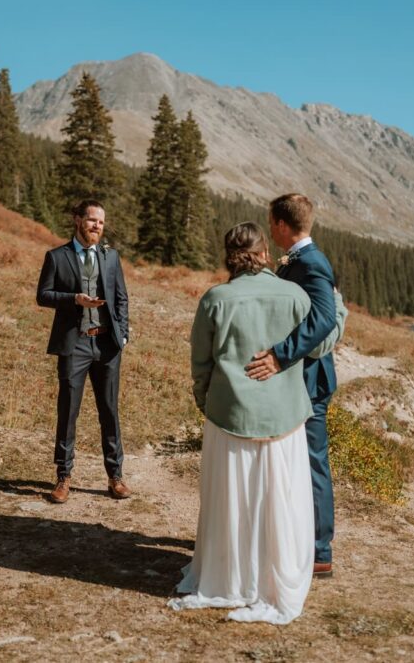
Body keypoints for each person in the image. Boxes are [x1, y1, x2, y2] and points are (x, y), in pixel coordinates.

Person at [169, 222, 314, 625]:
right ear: (265, 252)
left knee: (231, 500)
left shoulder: (216, 299)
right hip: (284, 414)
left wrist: (205, 401)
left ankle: (229, 575)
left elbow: (201, 362)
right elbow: (316, 343)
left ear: (229, 255)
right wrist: (338, 309)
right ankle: (274, 575)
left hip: (229, 412)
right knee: (277, 499)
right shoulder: (295, 295)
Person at [245, 193, 339, 579]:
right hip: (294, 381)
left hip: (311, 381)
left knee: (314, 463)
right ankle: (289, 536)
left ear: (282, 225)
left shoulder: (312, 264)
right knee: (290, 460)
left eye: (271, 222)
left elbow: (324, 320)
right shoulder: (298, 261)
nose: (269, 228)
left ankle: (320, 550)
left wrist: (281, 355)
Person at [35, 200, 131, 504]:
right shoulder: (57, 257)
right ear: (78, 220)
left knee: (109, 411)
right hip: (74, 344)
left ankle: (115, 476)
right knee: (68, 411)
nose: (97, 227)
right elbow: (43, 295)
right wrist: (73, 299)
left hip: (106, 346)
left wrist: (123, 334)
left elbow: (121, 299)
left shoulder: (111, 257)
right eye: (92, 221)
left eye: (101, 223)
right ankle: (64, 477)